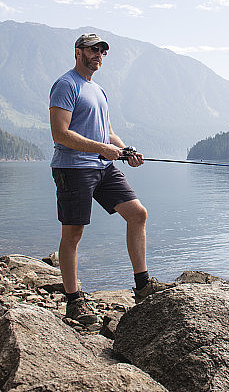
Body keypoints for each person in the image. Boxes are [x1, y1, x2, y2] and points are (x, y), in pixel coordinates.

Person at [49, 33, 170, 325]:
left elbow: (108, 132)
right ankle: (73, 300)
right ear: (78, 52)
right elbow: (60, 133)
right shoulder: (66, 85)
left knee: (137, 213)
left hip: (102, 167)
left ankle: (142, 285)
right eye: (93, 50)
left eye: (102, 51)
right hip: (74, 168)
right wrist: (103, 149)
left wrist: (125, 150)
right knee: (73, 234)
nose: (98, 55)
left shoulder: (98, 90)